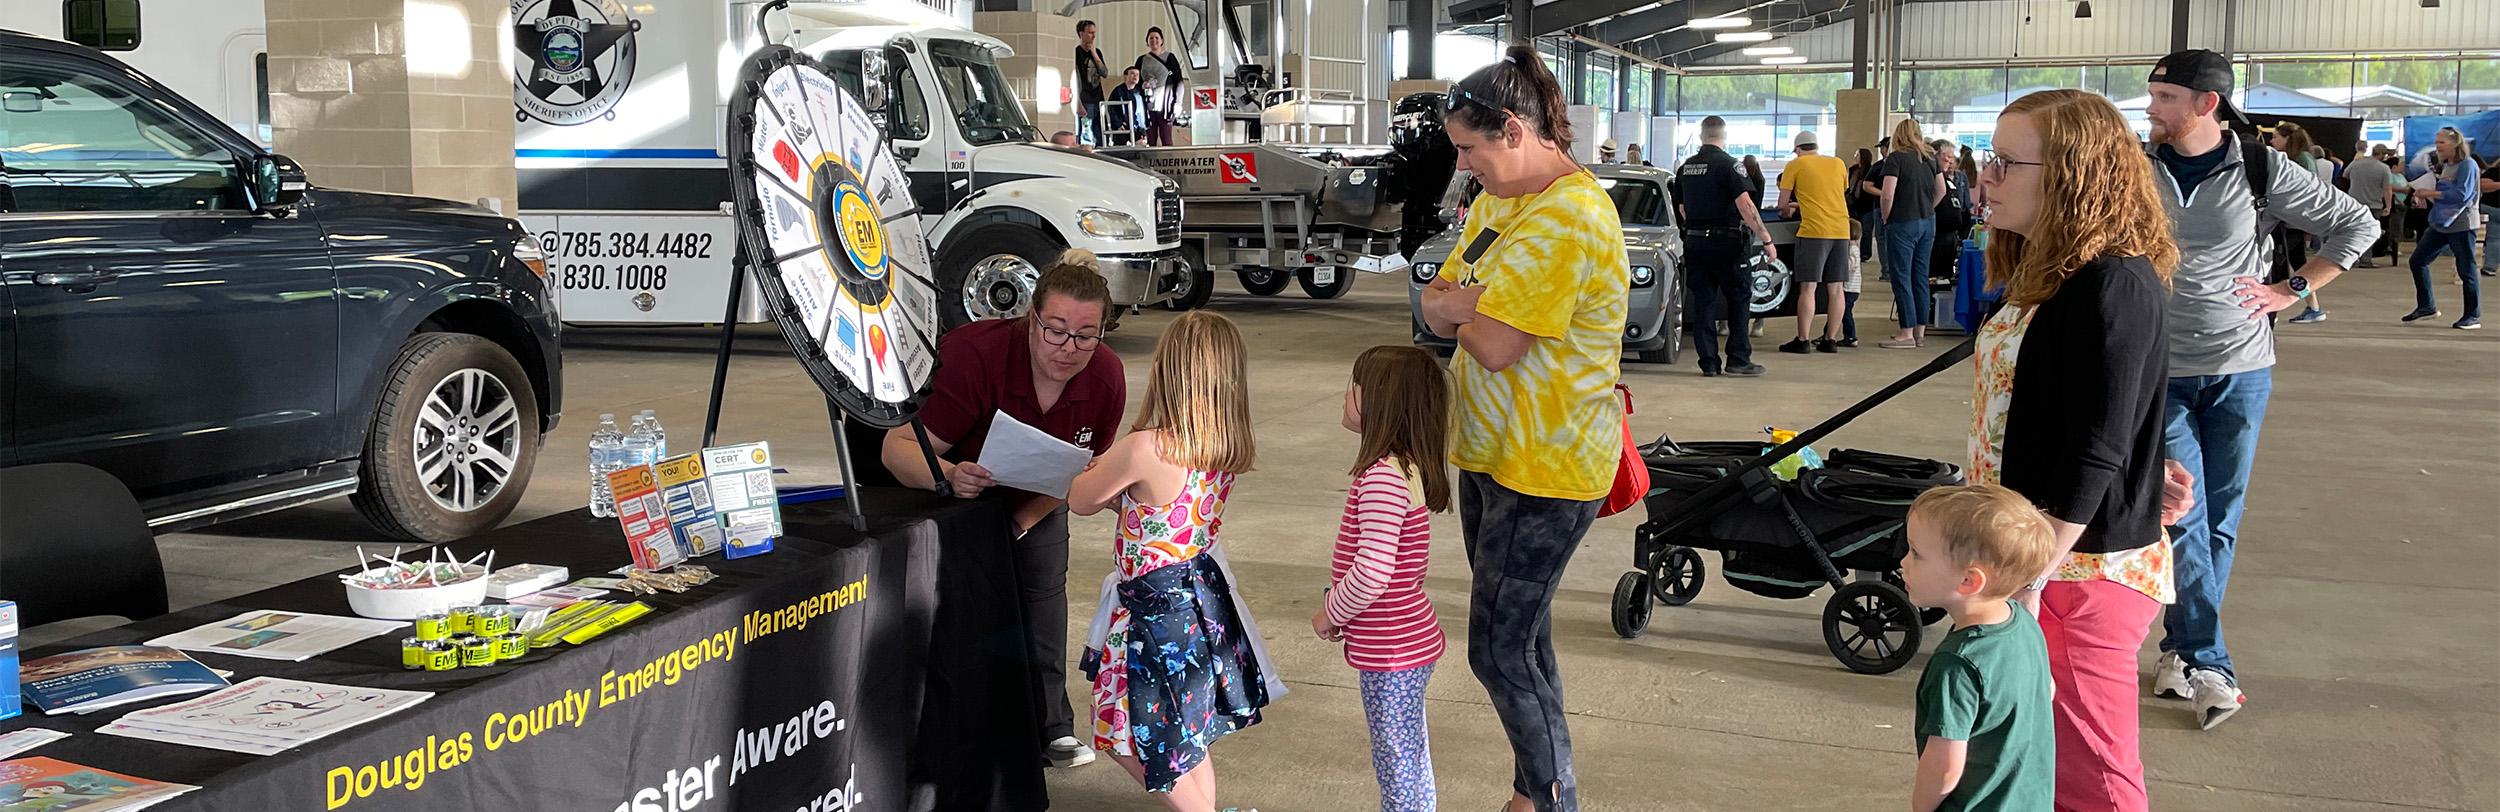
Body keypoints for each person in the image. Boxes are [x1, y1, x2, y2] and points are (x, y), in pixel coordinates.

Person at [2141, 49, 2378, 732]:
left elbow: (2355, 224)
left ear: (2205, 103)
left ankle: (2178, 652)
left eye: (2163, 97)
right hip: (2160, 365)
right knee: (2181, 512)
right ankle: (2211, 662)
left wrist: (2291, 290)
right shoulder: (2135, 168)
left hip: (2242, 367)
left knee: (2218, 518)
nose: (2151, 108)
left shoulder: (2258, 167)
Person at [1417, 45, 1627, 812]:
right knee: (1524, 639)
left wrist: (1464, 310)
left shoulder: (1566, 217)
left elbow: (1496, 345)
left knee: (1499, 647)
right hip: (1492, 454)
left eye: (1470, 148)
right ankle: (1535, 788)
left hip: (1546, 464)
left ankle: (1549, 796)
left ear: (1512, 130)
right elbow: (1436, 298)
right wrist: (1469, 306)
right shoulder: (1501, 202)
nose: (1464, 166)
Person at [1975, 89, 2186, 812]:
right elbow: (2090, 410)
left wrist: (2032, 571)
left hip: (2075, 567)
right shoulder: (2052, 270)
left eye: (2006, 163)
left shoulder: (2113, 281)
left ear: (2071, 173)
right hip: (2038, 550)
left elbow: (2098, 442)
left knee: (2093, 777)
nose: (1986, 178)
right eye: (1987, 159)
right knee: (2042, 764)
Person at [853, 258, 1127, 771]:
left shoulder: (1107, 377)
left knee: (1042, 599)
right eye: (1056, 331)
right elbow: (897, 450)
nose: (1069, 349)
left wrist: (1025, 521)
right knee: (951, 611)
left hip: (1039, 499)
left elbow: (1083, 473)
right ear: (1031, 319)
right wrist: (951, 475)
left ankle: (1051, 727)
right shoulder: (976, 356)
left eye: (1086, 336)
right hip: (948, 496)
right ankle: (948, 723)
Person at [1068, 310, 1267, 809]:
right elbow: (1168, 517)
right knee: (1187, 732)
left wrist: (1103, 475)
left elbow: (1079, 498)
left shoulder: (1145, 448)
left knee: (1126, 732)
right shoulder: (1223, 444)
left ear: (1166, 373)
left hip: (1152, 619)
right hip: (1196, 608)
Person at [1313, 345, 1453, 812]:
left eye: (1354, 385)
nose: (1346, 393)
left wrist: (1331, 612)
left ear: (1379, 403)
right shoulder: (1404, 467)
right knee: (1410, 751)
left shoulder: (1381, 479)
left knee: (1395, 758)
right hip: (1408, 639)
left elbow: (1373, 572)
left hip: (1391, 648)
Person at [1899, 485, 2058, 812]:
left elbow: (1944, 768)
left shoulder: (1957, 664)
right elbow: (2048, 690)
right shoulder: (2023, 623)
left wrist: (1921, 808)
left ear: (1969, 581)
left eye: (1916, 553)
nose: (1903, 562)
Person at [1668, 116, 1777, 377]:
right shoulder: (1729, 166)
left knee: (1704, 301)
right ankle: (1738, 359)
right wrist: (1767, 240)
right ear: (1724, 136)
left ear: (1701, 135)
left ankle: (1709, 363)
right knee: (1738, 297)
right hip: (1726, 242)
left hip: (1694, 241)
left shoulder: (1686, 168)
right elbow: (1746, 206)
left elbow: (1682, 209)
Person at [1776, 129, 1850, 353]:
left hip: (1813, 231)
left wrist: (1788, 211)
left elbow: (1782, 204)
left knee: (1808, 287)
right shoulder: (1838, 164)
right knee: (1836, 288)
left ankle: (1803, 339)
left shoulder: (1795, 165)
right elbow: (1830, 196)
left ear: (1798, 150)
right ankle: (1830, 340)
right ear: (1816, 147)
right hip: (1841, 229)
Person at [1875, 118, 1947, 348]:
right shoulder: (1930, 159)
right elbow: (1942, 191)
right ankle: (1919, 332)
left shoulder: (1895, 159)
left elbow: (1887, 194)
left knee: (1901, 276)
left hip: (1902, 223)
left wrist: (1887, 217)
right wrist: (1927, 208)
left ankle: (1905, 332)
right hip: (1928, 222)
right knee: (1920, 277)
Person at [2404, 126, 2482, 329]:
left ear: (2455, 144)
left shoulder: (2468, 165)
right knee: (2417, 260)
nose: (2437, 147)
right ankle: (2426, 306)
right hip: (2441, 223)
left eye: (2442, 143)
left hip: (2462, 224)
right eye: (2437, 142)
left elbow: (2462, 195)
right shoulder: (2447, 166)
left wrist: (2430, 193)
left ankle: (2472, 315)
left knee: (2466, 270)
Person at [2341, 140, 2396, 277]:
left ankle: (2350, 259)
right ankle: (2366, 259)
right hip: (2374, 205)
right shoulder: (2384, 168)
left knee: (2353, 231)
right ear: (2382, 155)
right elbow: (2387, 188)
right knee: (2368, 233)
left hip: (2354, 203)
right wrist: (2388, 205)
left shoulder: (2356, 164)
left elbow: (2345, 175)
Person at [1932, 139, 1974, 312]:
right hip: (1936, 233)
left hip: (1951, 233)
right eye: (1946, 158)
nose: (1950, 163)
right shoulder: (1932, 176)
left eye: (1951, 159)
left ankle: (1942, 308)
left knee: (1946, 272)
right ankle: (1932, 307)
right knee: (1934, 272)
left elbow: (1963, 204)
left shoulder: (1953, 179)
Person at [1135, 28, 1186, 146]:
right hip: (1147, 106)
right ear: (1147, 41)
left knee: (1166, 138)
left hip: (1165, 105)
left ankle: (1168, 163)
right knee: (1150, 138)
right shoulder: (1141, 60)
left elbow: (1179, 80)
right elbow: (1136, 79)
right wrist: (1142, 84)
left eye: (1156, 38)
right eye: (1151, 38)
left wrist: (1178, 103)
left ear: (1162, 40)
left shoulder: (1170, 58)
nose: (1154, 41)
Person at [1075, 20, 1109, 145]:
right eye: (1090, 33)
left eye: (1094, 33)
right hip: (1085, 99)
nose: (1093, 36)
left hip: (1098, 99)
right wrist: (1078, 103)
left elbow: (1104, 73)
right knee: (1086, 134)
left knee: (1101, 134)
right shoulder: (1076, 53)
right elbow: (1075, 79)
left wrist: (1094, 54)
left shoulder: (1097, 52)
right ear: (1081, 34)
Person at [1851, 147, 1882, 265]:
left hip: (1868, 205)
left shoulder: (1871, 170)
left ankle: (1865, 253)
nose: (1855, 157)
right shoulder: (1853, 170)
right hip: (1855, 204)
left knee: (1867, 230)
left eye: (1857, 155)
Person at [1107, 66, 1144, 144]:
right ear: (1125, 77)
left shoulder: (1138, 93)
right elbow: (1111, 108)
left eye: (1137, 74)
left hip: (1135, 127)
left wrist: (1142, 129)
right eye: (1132, 74)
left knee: (1140, 148)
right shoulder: (1117, 92)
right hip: (1121, 127)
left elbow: (1141, 112)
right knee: (1120, 150)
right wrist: (1118, 123)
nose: (1135, 76)